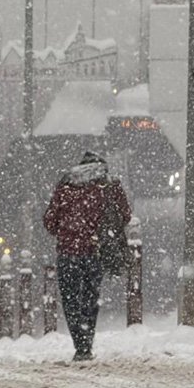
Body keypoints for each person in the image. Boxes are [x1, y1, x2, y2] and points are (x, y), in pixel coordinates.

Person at [42, 151, 131, 362]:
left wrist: (68, 231)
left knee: (71, 300)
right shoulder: (109, 185)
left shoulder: (66, 186)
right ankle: (86, 342)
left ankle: (79, 342)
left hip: (68, 252)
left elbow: (50, 221)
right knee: (90, 298)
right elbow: (125, 216)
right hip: (96, 251)